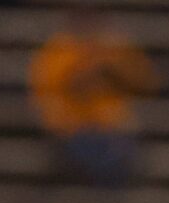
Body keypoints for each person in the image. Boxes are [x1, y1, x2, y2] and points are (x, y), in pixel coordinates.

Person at [28, 5, 155, 187]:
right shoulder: (57, 50)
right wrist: (88, 69)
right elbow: (53, 94)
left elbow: (145, 85)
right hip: (72, 129)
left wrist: (111, 67)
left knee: (121, 154)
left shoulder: (117, 47)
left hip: (114, 129)